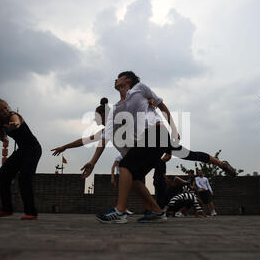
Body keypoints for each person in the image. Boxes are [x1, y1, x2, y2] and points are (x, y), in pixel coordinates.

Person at [81, 71, 237, 224]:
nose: (115, 80)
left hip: (157, 132)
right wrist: (92, 162)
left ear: (128, 80)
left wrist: (174, 128)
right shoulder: (116, 108)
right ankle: (156, 211)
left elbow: (162, 106)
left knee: (126, 166)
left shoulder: (140, 88)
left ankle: (120, 212)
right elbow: (105, 137)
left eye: (119, 77)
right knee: (135, 177)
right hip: (149, 139)